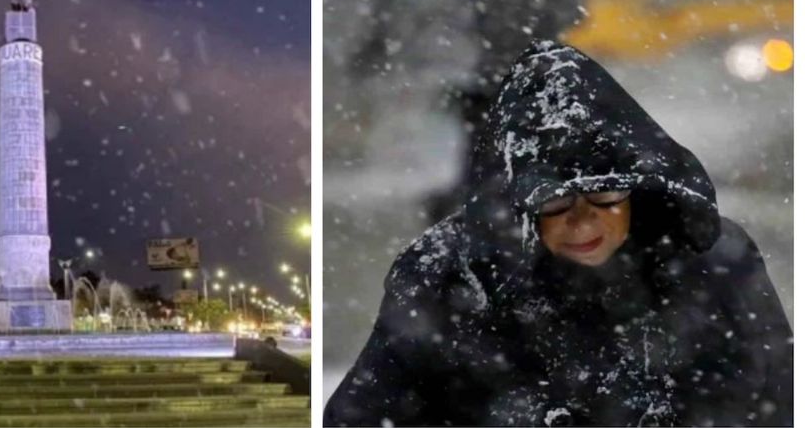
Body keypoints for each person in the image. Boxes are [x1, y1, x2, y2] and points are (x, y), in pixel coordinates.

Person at [324, 40, 792, 427]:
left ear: (637, 189)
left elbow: (774, 401)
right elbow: (365, 415)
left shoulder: (710, 261)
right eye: (554, 203)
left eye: (606, 197)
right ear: (516, 207)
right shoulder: (447, 276)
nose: (584, 222)